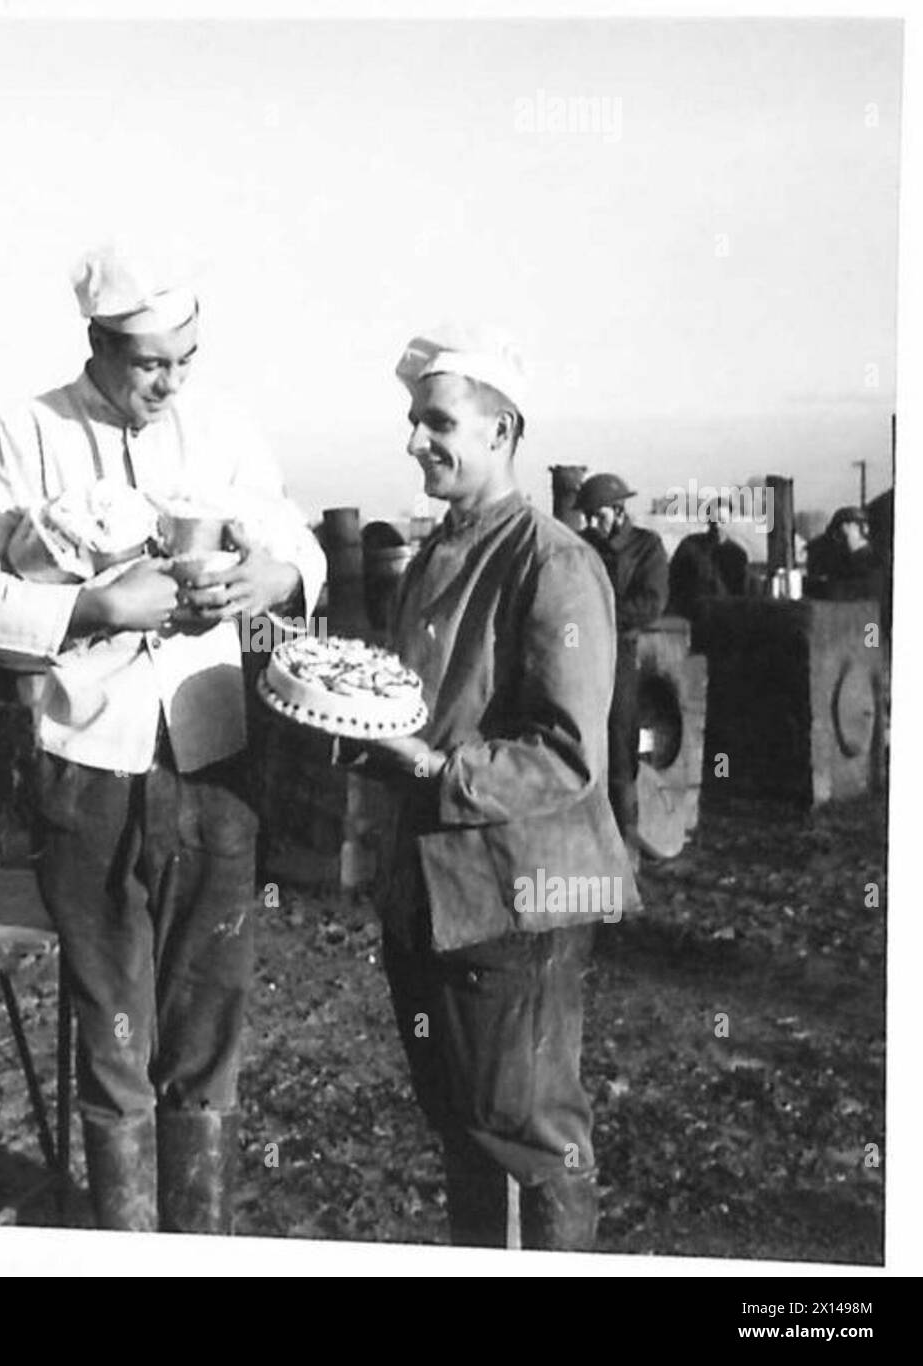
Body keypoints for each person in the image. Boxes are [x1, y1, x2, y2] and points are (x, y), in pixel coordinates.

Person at [0, 243, 325, 1234]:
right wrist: (89, 607)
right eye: (151, 361)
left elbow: (297, 540)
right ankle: (122, 1245)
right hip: (92, 766)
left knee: (207, 1021)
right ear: (99, 343)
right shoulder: (29, 432)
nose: (171, 381)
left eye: (186, 357)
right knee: (111, 1027)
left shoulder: (221, 426)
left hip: (213, 761)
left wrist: (274, 578)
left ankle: (196, 1243)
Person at [361, 326, 638, 1251]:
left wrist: (440, 771)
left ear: (502, 431)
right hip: (431, 897)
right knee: (462, 1128)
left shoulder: (553, 562)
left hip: (520, 901)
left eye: (437, 422)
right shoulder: (436, 553)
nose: (414, 441)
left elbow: (567, 752)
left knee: (534, 1133)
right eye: (413, 421)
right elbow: (406, 705)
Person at [576, 473, 669, 843]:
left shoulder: (647, 547)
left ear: (618, 511)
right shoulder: (580, 546)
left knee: (620, 737)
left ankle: (624, 838)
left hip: (619, 652)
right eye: (587, 517)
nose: (591, 524)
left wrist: (599, 612)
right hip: (581, 653)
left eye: (597, 515)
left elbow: (651, 604)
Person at [667, 509, 748, 618]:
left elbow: (740, 593)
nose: (718, 525)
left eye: (722, 520)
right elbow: (674, 579)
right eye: (714, 521)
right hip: (691, 613)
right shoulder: (689, 545)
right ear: (708, 521)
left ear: (731, 521)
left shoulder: (737, 554)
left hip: (725, 615)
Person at [806, 506, 884, 603]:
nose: (835, 538)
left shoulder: (868, 565)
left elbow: (837, 595)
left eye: (838, 530)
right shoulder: (874, 560)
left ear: (847, 527)